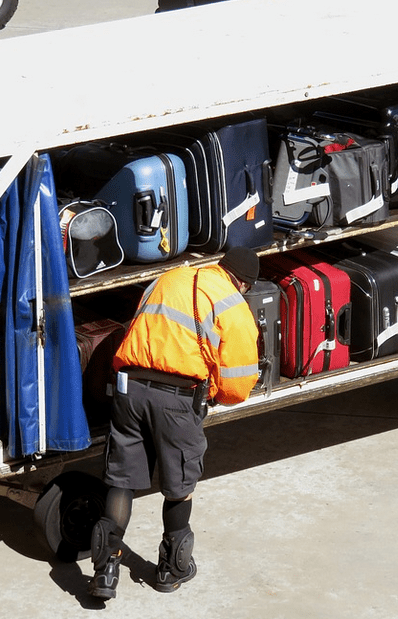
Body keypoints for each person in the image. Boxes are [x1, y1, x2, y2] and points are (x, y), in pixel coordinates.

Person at [88, 246, 261, 600]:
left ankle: (105, 572)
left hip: (129, 390)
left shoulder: (168, 279)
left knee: (122, 480)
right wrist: (213, 394)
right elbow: (237, 384)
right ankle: (172, 568)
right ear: (243, 284)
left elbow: (139, 325)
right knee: (180, 484)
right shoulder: (231, 303)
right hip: (177, 399)